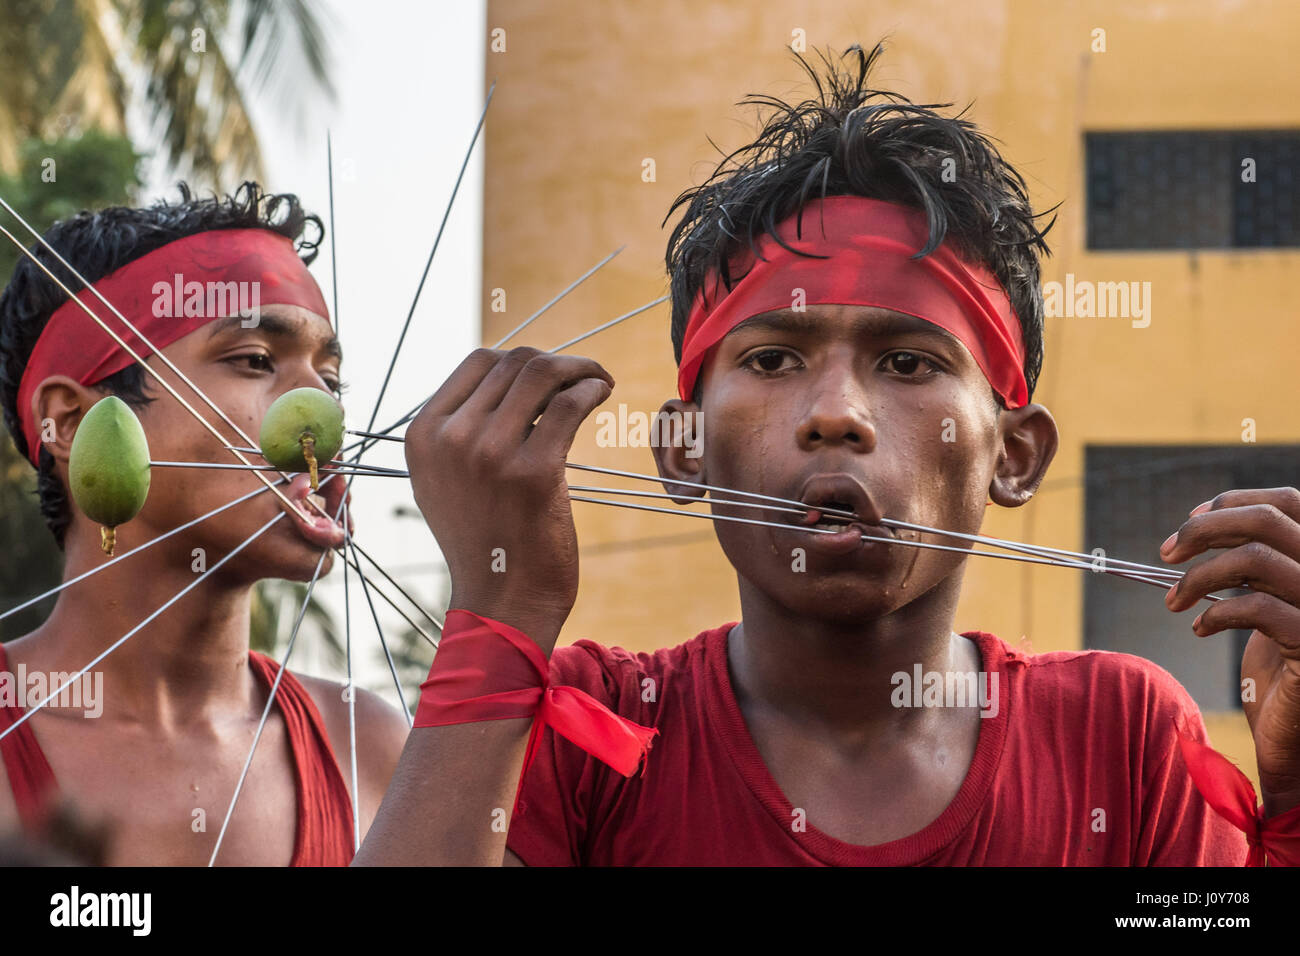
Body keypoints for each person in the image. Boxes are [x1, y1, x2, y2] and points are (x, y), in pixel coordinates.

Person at [356, 42, 1300, 866]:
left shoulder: (1121, 738)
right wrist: (500, 606)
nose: (837, 414)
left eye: (906, 361)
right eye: (772, 360)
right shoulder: (595, 728)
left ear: (1012, 456)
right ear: (683, 448)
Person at [0, 183, 409, 865]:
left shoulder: (369, 751)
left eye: (332, 381)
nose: (325, 417)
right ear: (71, 422)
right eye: (255, 360)